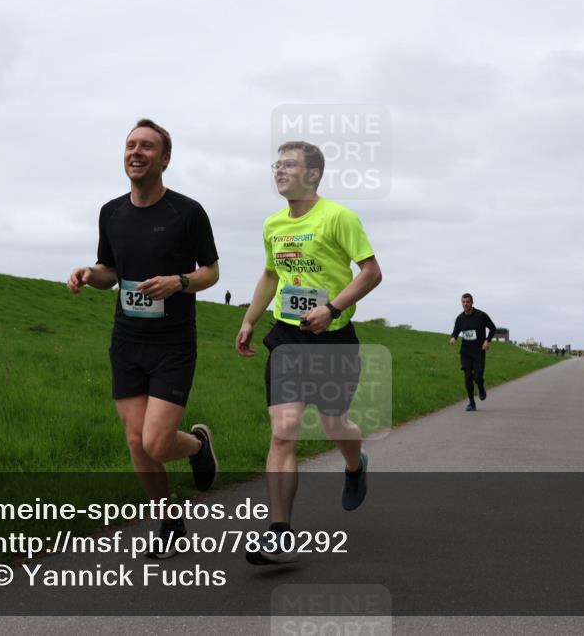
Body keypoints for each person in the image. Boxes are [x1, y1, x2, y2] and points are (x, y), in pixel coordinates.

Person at [67, 118, 219, 559]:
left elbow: (211, 271)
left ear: (165, 158)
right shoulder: (111, 212)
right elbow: (110, 270)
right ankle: (168, 522)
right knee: (136, 441)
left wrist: (179, 282)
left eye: (147, 147)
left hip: (173, 342)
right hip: (127, 339)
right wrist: (89, 274)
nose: (136, 152)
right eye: (130, 145)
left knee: (155, 442)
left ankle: (196, 444)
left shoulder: (187, 212)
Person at [235, 141, 382, 565]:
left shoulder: (339, 217)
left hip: (333, 337)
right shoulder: (273, 225)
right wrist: (249, 319)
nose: (279, 171)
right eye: (276, 164)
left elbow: (371, 272)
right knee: (283, 431)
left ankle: (356, 465)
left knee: (336, 423)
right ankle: (280, 533)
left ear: (314, 174)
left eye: (290, 164)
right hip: (288, 338)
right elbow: (269, 273)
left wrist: (333, 307)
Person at [448, 293, 497, 411]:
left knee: (478, 376)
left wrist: (487, 341)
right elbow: (455, 331)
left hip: (479, 351)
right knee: (468, 377)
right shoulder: (460, 318)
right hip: (465, 352)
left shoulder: (481, 315)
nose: (465, 304)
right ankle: (471, 403)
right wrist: (453, 337)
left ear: (472, 303)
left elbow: (493, 328)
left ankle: (480, 386)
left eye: (467, 302)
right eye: (463, 302)